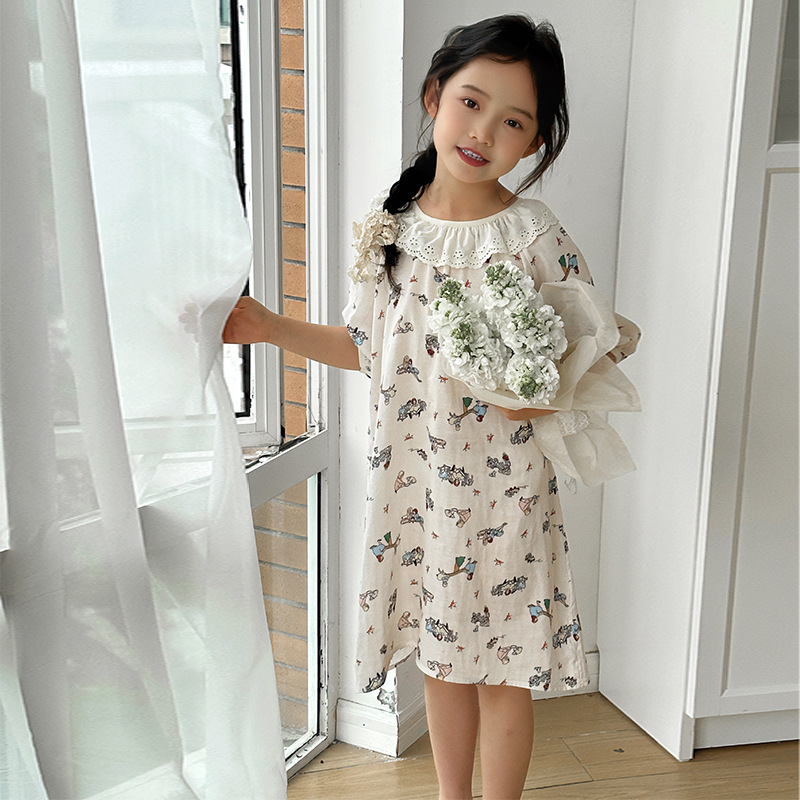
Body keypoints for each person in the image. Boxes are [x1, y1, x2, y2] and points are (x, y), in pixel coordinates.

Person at [223, 14, 640, 800]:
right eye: (471, 103)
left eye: (513, 120)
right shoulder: (391, 230)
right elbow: (367, 346)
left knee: (503, 669)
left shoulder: (532, 234)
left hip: (509, 490)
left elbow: (603, 339)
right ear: (435, 96)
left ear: (535, 142)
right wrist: (271, 328)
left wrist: (544, 392)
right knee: (442, 660)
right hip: (416, 484)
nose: (484, 130)